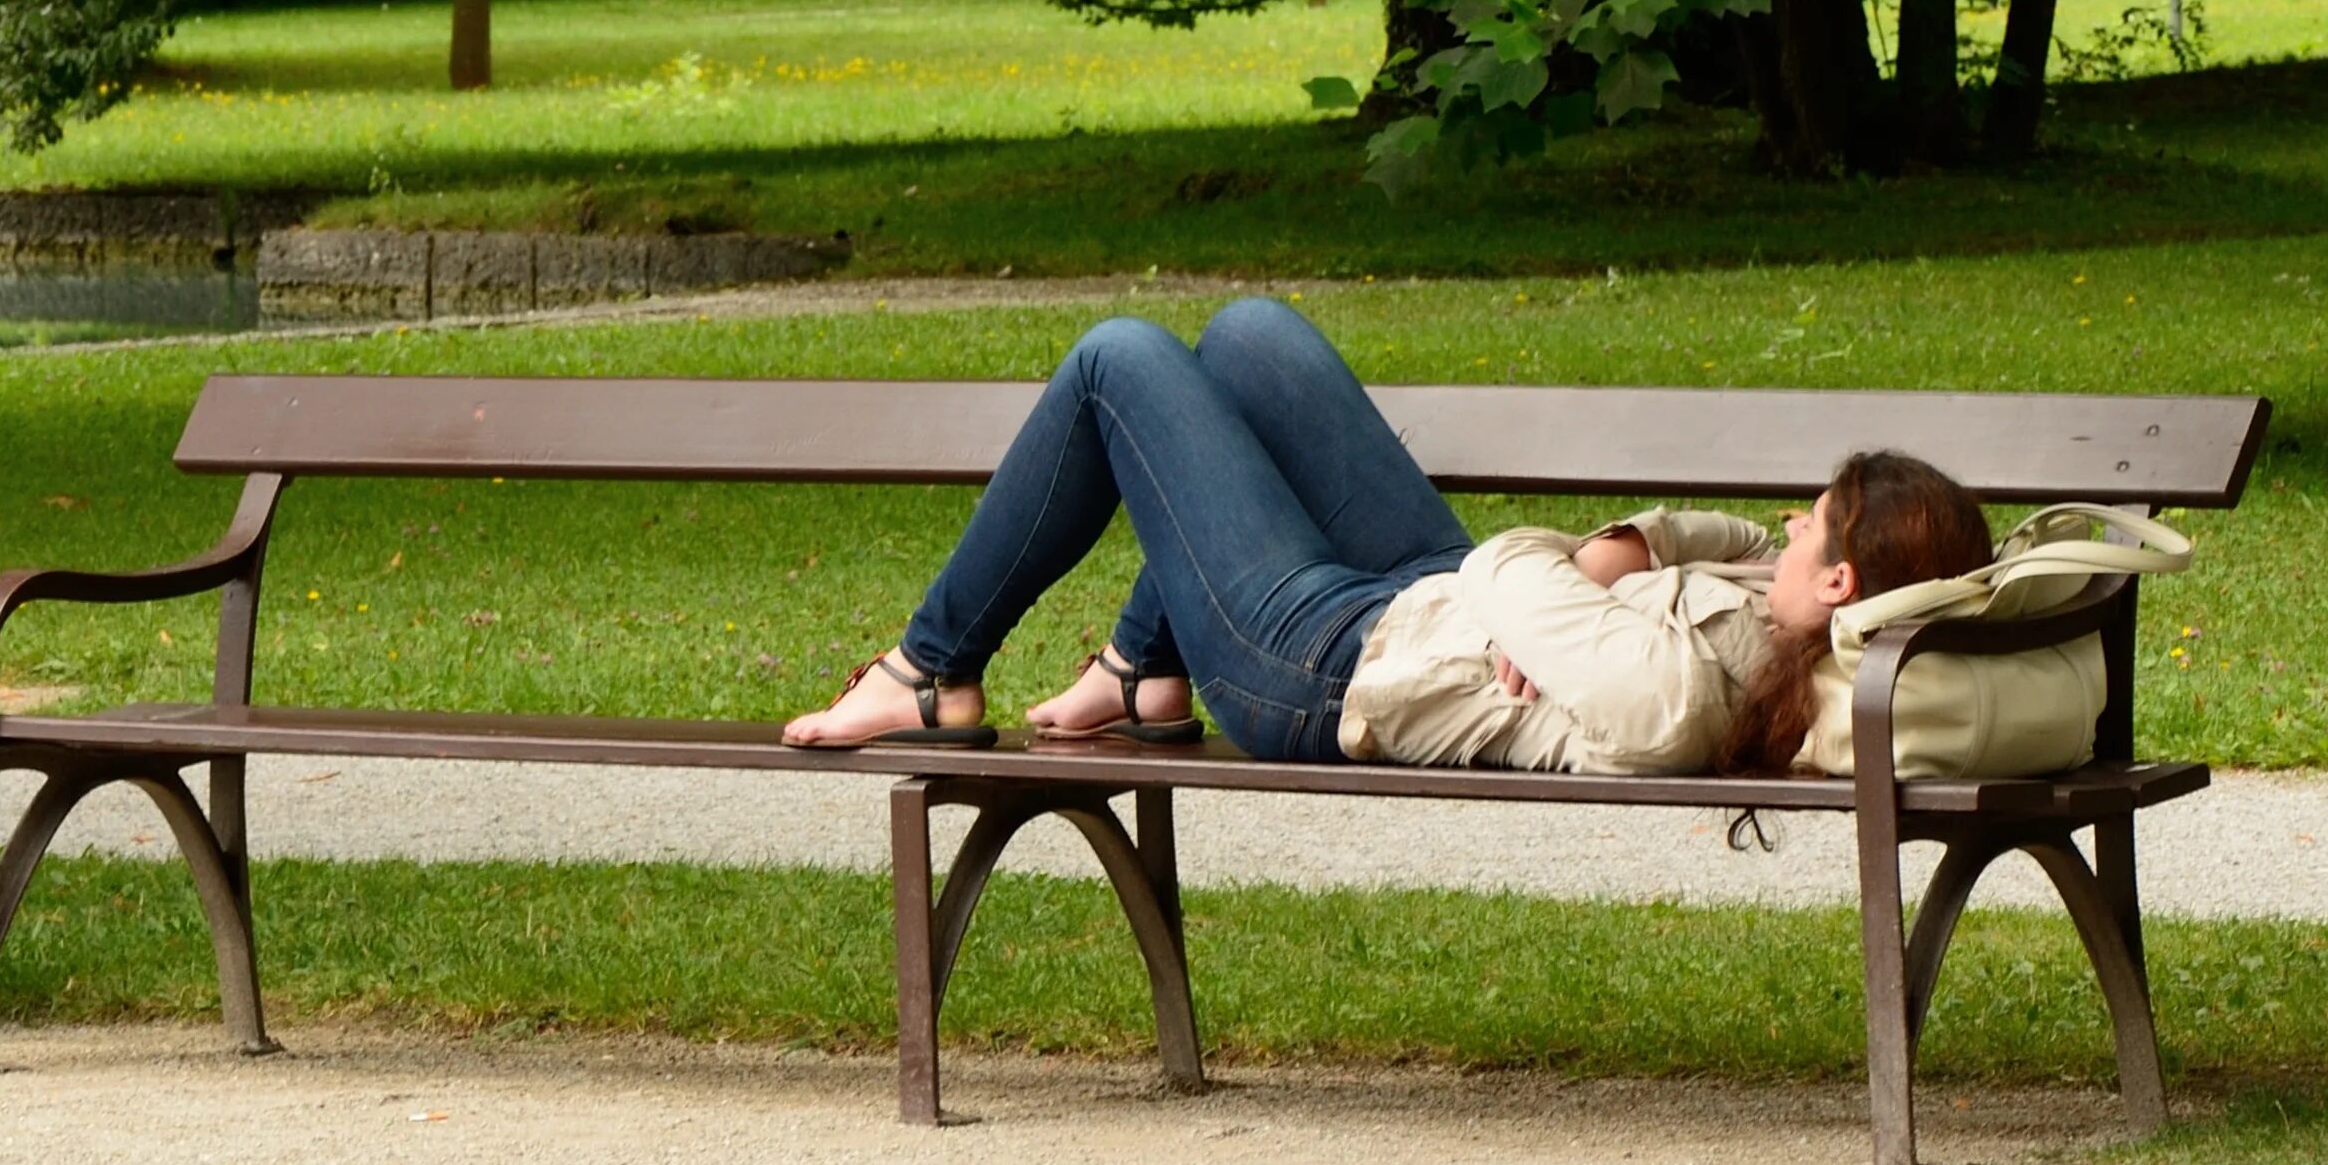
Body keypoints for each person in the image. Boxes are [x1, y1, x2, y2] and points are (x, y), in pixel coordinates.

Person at [779, 299, 1993, 772]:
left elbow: (1502, 565)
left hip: (1332, 667)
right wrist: (1595, 573)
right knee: (1251, 339)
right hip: (1432, 608)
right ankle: (1143, 669)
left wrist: (1543, 589)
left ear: (1838, 579)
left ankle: (926, 670)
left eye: (1811, 523)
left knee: (1118, 362)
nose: (1782, 521)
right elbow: (1690, 531)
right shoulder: (1778, 612)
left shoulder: (1696, 689)